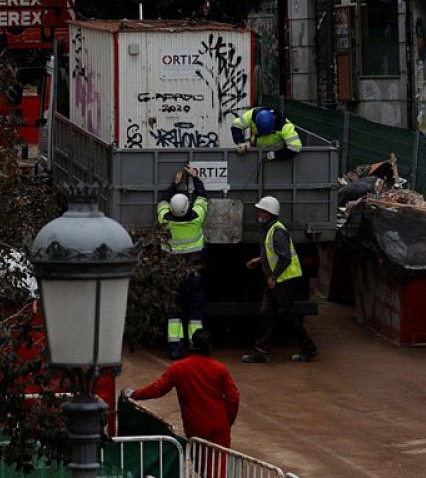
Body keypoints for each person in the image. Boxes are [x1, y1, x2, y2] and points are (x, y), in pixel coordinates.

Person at [123, 329, 239, 447]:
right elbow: (233, 397)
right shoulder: (220, 369)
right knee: (220, 462)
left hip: (196, 426)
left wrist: (133, 394)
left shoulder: (178, 368)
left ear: (192, 344)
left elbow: (157, 389)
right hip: (219, 426)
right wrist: (227, 421)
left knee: (200, 463)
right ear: (210, 346)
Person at [241, 196, 318, 363]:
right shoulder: (271, 229)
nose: (258, 213)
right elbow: (273, 252)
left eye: (260, 211)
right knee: (267, 314)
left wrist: (274, 277)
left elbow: (285, 258)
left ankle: (308, 349)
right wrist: (259, 260)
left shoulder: (277, 231)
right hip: (278, 280)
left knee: (286, 316)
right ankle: (262, 351)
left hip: (284, 281)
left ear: (267, 214)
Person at [156, 165, 208, 360]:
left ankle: (175, 349)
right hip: (194, 274)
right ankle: (197, 347)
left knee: (174, 312)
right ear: (188, 207)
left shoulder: (165, 220)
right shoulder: (196, 220)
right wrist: (195, 178)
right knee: (195, 312)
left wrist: (174, 184)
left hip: (172, 275)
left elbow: (161, 201)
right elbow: (202, 198)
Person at [228, 106, 302, 161]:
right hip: (257, 150)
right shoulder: (252, 114)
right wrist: (240, 142)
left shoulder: (284, 126)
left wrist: (275, 155)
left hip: (277, 152)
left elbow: (295, 147)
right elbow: (236, 125)